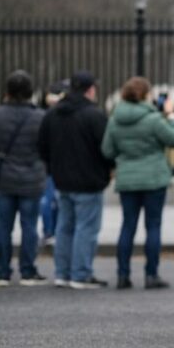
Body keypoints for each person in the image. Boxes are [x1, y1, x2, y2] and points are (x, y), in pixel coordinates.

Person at [102, 77, 174, 289]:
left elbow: (107, 151)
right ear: (146, 95)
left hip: (128, 178)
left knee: (128, 226)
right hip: (154, 178)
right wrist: (172, 115)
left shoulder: (114, 120)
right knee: (153, 226)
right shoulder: (154, 119)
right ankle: (151, 274)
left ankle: (122, 274)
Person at [38, 71, 113, 290]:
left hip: (61, 179)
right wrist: (107, 169)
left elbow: (42, 146)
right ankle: (80, 274)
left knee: (63, 227)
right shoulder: (94, 115)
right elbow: (107, 148)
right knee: (86, 228)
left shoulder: (53, 114)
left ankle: (62, 273)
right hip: (89, 180)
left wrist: (54, 167)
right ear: (90, 90)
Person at [0, 71, 47, 286]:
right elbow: (47, 148)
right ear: (30, 92)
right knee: (30, 226)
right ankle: (27, 271)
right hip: (32, 178)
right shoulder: (39, 117)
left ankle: (3, 272)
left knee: (3, 227)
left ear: (7, 91)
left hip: (4, 178)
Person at [39, 80, 69, 246]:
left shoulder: (46, 114)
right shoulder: (53, 115)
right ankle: (50, 231)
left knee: (50, 200)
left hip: (50, 163)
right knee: (51, 200)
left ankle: (50, 231)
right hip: (54, 164)